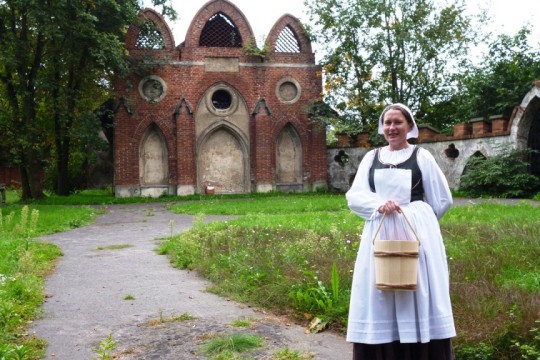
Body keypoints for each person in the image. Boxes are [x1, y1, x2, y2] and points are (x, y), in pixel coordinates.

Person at [345, 103, 455, 359]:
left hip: (414, 233)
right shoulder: (372, 157)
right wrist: (379, 205)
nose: (392, 128)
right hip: (380, 230)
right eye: (388, 123)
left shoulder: (421, 157)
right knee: (381, 288)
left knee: (414, 287)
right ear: (382, 127)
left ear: (409, 126)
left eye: (398, 122)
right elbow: (355, 195)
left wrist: (418, 220)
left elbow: (442, 199)